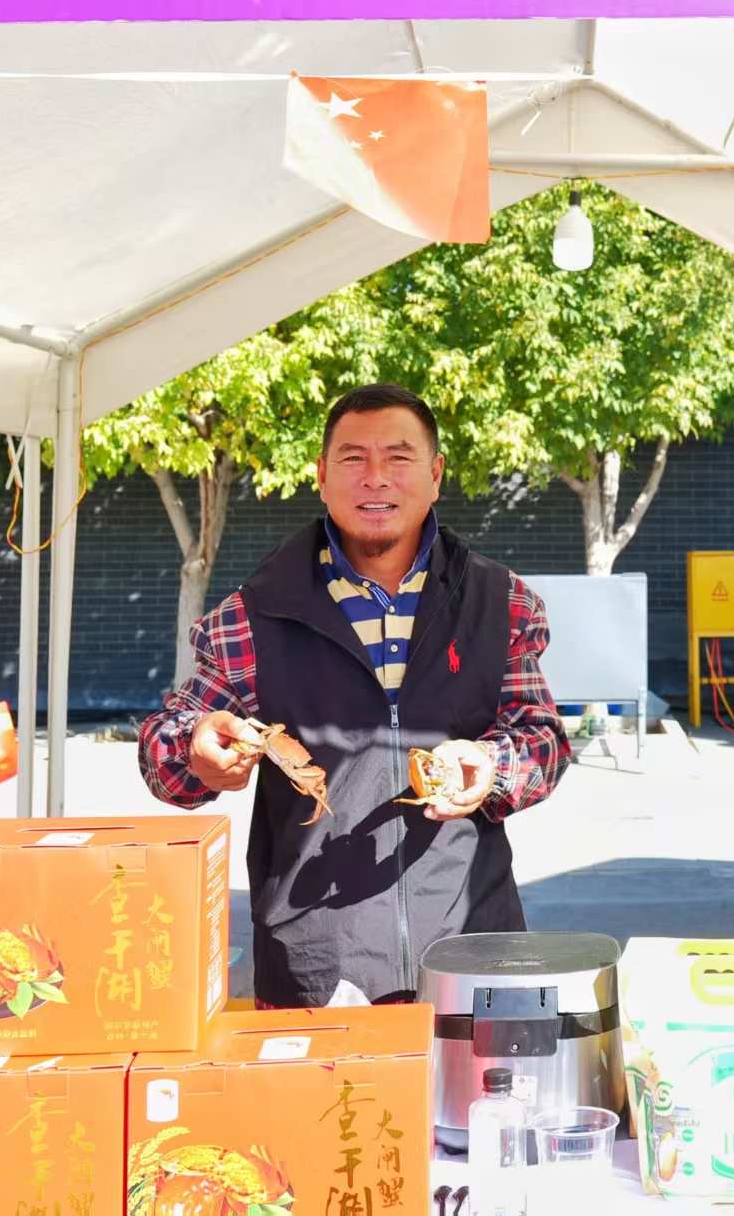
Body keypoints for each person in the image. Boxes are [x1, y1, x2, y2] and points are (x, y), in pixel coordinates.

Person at [137, 384, 570, 1008]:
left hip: (474, 954)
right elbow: (165, 750)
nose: (376, 478)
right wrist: (193, 750)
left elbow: (542, 740)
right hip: (315, 966)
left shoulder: (502, 603)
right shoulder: (253, 615)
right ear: (321, 476)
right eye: (353, 458)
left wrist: (493, 764)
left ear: (435, 475)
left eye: (398, 457)